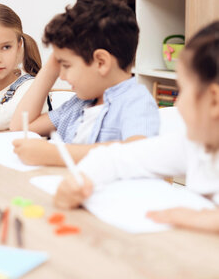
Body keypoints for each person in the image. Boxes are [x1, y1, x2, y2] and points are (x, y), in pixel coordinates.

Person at [54, 21, 219, 233]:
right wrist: (79, 180)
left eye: (182, 89)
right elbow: (117, 157)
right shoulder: (195, 145)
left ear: (213, 101)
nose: (177, 103)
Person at [11, 0, 159, 165]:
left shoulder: (135, 102)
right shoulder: (78, 104)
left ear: (101, 62)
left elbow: (138, 152)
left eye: (66, 65)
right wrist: (50, 68)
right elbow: (20, 128)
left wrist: (57, 154)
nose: (62, 75)